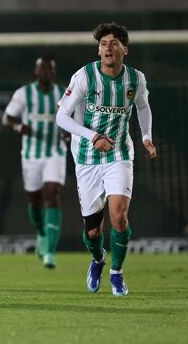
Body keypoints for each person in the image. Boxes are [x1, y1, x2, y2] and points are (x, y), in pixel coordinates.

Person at [55, 22, 157, 296]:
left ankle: (117, 273)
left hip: (119, 155)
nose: (107, 48)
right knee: (92, 232)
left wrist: (146, 136)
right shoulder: (85, 76)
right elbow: (61, 117)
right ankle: (98, 260)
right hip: (87, 158)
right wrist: (92, 136)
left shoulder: (136, 79)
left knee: (119, 217)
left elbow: (143, 106)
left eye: (113, 43)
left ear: (125, 49)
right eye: (103, 44)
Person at [3, 56, 68, 269]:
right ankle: (41, 232)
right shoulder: (24, 93)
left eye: (51, 69)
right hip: (31, 155)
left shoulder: (63, 94)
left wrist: (69, 133)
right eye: (43, 68)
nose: (47, 72)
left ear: (54, 73)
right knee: (34, 199)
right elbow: (7, 118)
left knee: (51, 193)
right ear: (36, 72)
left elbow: (74, 118)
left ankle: (50, 251)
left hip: (55, 152)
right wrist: (19, 128)